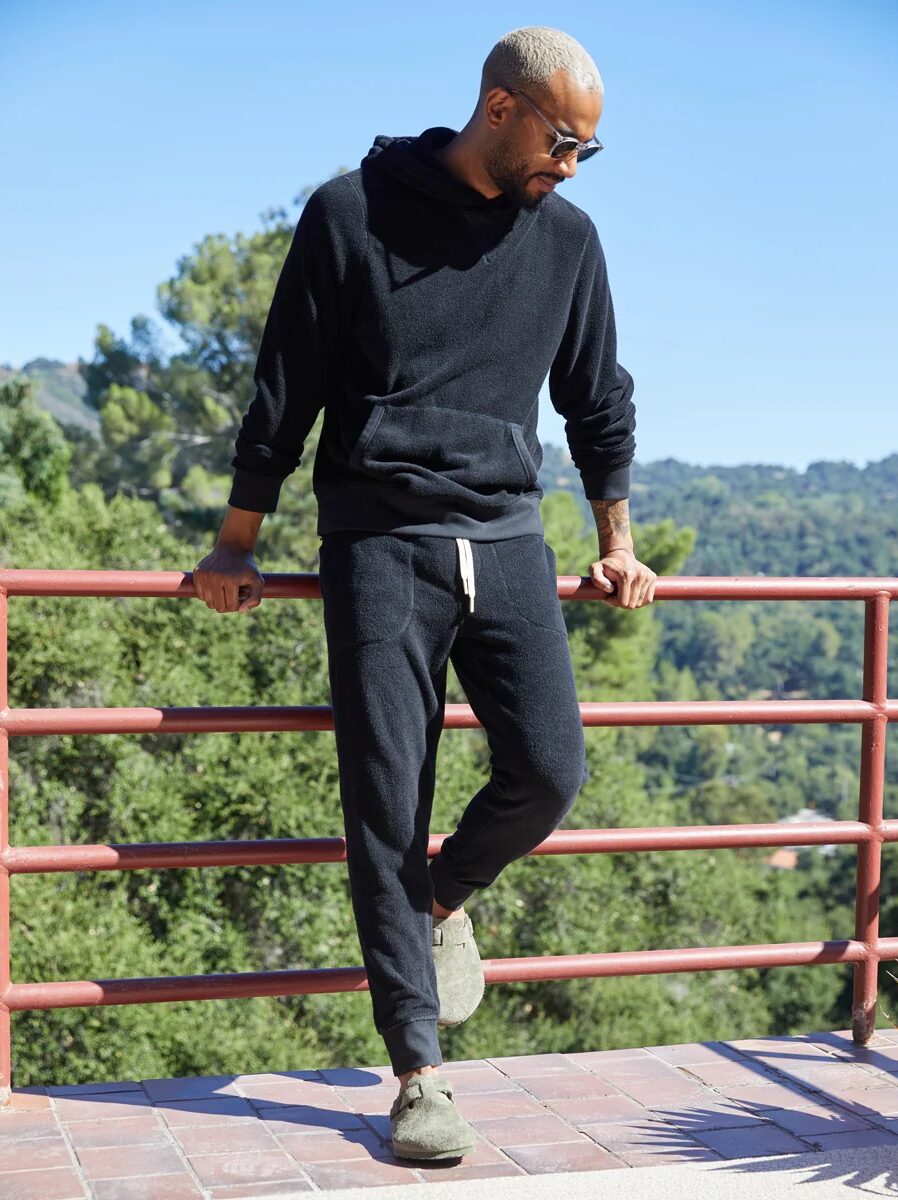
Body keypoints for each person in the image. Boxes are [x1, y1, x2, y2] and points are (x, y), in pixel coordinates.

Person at [193, 24, 657, 1161]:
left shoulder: (568, 240)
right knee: (387, 805)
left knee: (550, 768)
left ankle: (438, 903)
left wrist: (617, 541)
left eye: (587, 151)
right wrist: (238, 544)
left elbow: (596, 396)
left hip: (507, 535)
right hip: (381, 541)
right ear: (499, 110)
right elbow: (284, 390)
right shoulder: (349, 213)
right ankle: (417, 1076)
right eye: (562, 143)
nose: (571, 167)